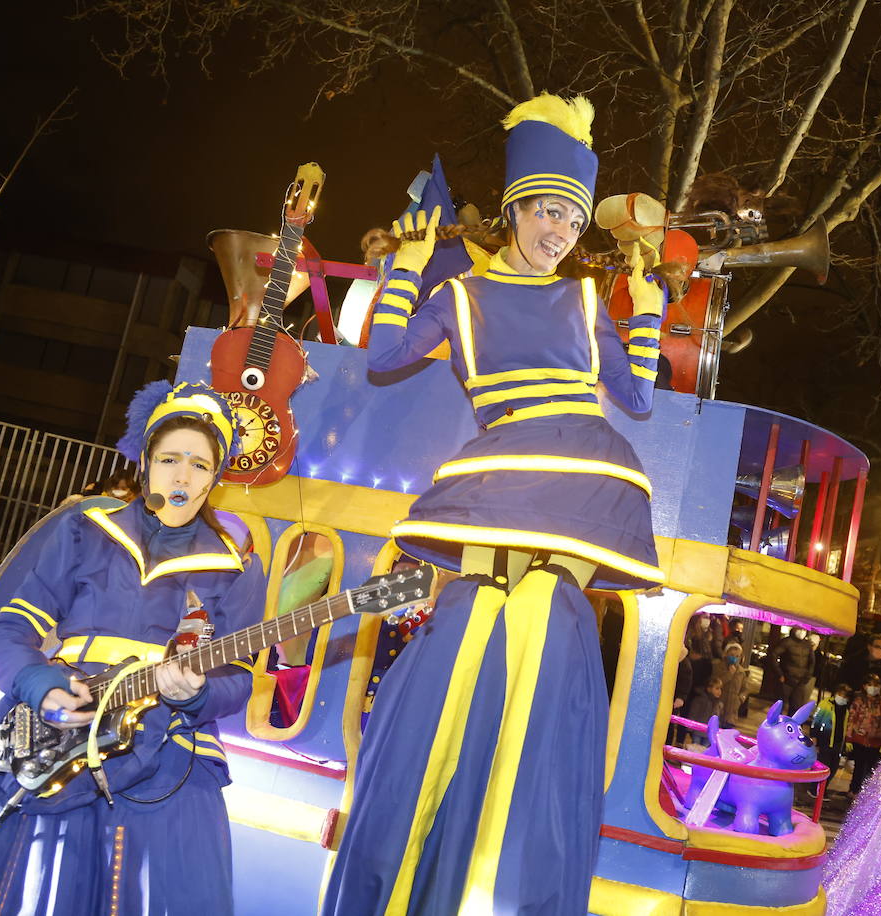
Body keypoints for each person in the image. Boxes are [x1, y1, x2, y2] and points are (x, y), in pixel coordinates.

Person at [324, 93, 667, 915]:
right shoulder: (465, 297)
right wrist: (406, 269)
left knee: (545, 639)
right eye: (549, 211)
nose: (560, 233)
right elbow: (382, 356)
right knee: (464, 654)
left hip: (581, 478)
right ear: (515, 208)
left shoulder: (588, 303)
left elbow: (639, 399)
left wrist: (647, 317)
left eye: (574, 223)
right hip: (503, 477)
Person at [0, 381, 267, 916]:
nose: (182, 476)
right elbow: (8, 629)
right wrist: (39, 683)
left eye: (200, 465)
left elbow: (241, 678)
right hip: (57, 736)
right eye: (170, 459)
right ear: (146, 462)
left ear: (216, 477)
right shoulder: (84, 529)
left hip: (171, 752)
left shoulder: (236, 565)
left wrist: (195, 695)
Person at [844, 672, 881, 796]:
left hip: (875, 742)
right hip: (859, 739)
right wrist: (849, 738)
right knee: (859, 767)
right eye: (870, 685)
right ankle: (853, 790)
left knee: (871, 769)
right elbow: (851, 719)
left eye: (876, 685)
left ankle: (864, 793)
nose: (873, 688)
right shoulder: (859, 701)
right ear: (865, 686)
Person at [811, 682, 852, 781]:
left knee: (833, 768)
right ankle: (814, 788)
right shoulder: (825, 704)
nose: (842, 698)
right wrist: (814, 736)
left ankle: (823, 790)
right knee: (821, 766)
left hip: (837, 744)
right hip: (824, 741)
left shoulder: (846, 710)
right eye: (840, 694)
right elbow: (816, 721)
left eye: (845, 696)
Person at [772, 626, 815, 712]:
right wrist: (779, 673)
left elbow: (812, 661)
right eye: (800, 629)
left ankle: (790, 724)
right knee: (780, 706)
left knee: (796, 708)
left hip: (801, 681)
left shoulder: (807, 644)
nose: (802, 631)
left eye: (804, 629)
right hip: (787, 678)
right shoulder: (786, 642)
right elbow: (773, 655)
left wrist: (808, 676)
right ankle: (775, 724)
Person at [710, 639, 749, 724]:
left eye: (737, 656)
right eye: (732, 655)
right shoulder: (718, 667)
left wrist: (740, 699)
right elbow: (715, 682)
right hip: (719, 706)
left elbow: (745, 689)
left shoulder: (741, 672)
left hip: (732, 710)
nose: (734, 658)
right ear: (726, 654)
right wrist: (729, 674)